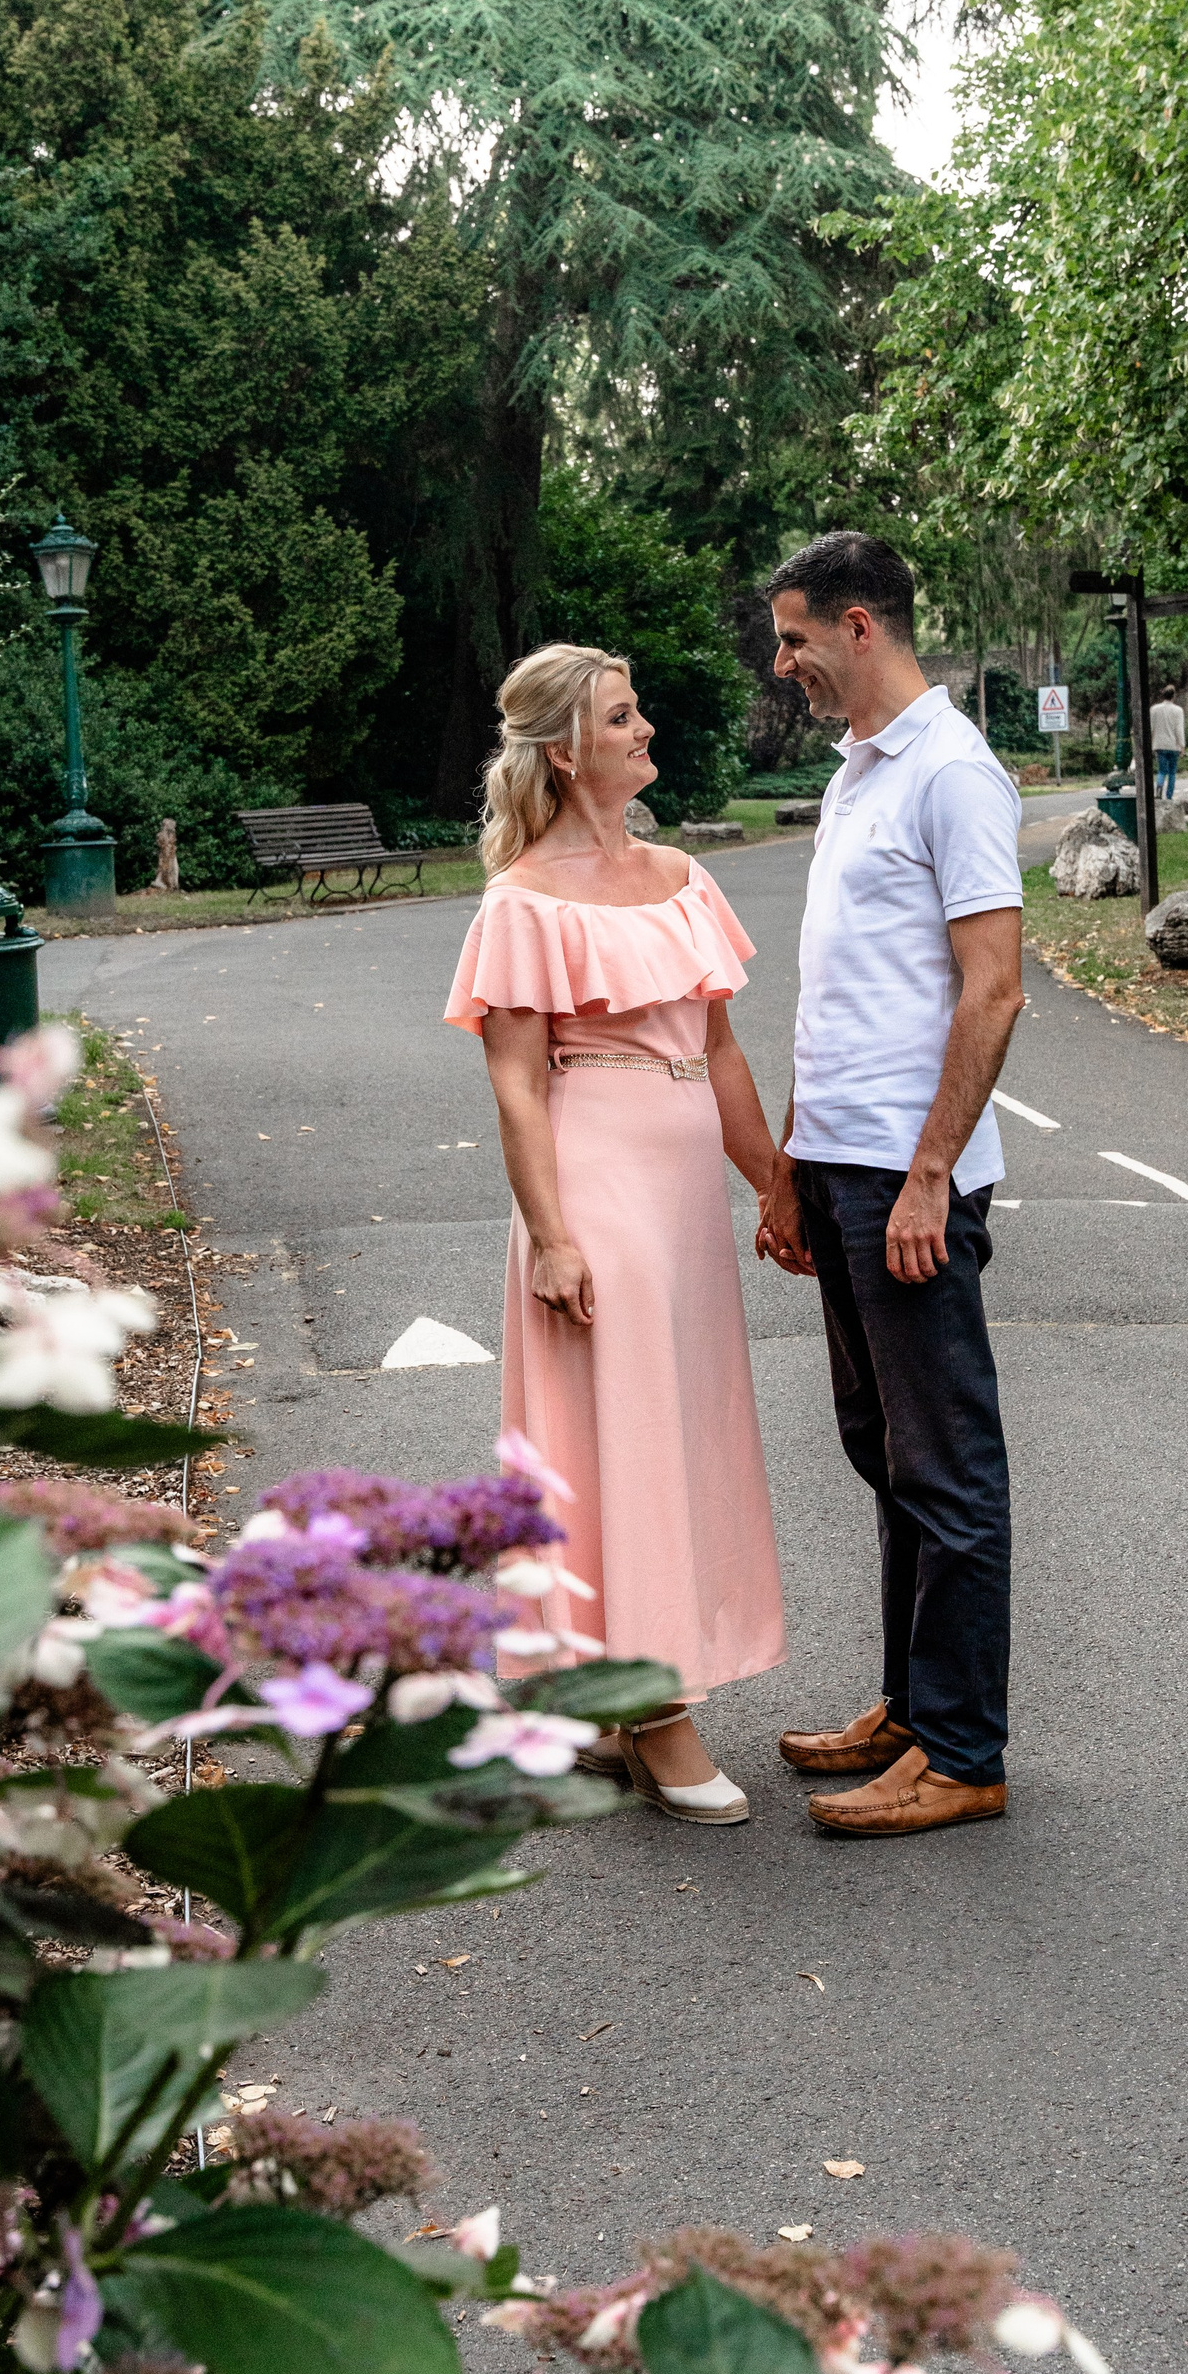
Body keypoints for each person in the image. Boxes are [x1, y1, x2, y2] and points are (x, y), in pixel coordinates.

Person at [445, 643, 787, 1827]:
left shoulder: (684, 878)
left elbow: (721, 1051)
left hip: (686, 1194)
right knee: (631, 1438)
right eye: (622, 717)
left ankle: (604, 1699)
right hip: (595, 1185)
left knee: (678, 1431)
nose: (646, 730)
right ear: (564, 751)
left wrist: (773, 1185)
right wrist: (550, 1236)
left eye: (639, 713)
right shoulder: (521, 901)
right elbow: (517, 1083)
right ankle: (657, 1712)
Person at [755, 533, 1026, 1838]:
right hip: (840, 1164)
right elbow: (843, 990)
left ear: (859, 625)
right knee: (887, 1451)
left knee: (947, 1464)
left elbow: (995, 988)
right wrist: (791, 1164)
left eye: (795, 637)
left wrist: (930, 1177)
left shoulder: (953, 773)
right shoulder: (858, 771)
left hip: (907, 1179)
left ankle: (963, 1753)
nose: (782, 662)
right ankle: (914, 1711)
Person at [1150, 688, 1186, 800]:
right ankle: (1169, 796)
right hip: (1173, 745)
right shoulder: (1178, 710)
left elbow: (1151, 728)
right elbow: (1179, 729)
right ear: (1173, 696)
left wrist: (1151, 742)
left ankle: (1158, 791)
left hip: (1159, 744)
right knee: (1172, 772)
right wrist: (1182, 745)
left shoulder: (1154, 709)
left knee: (1161, 770)